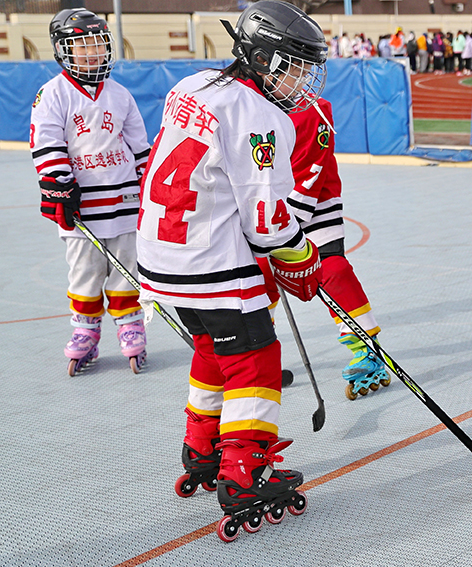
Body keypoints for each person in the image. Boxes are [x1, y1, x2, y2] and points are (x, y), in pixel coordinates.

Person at [136, 1, 326, 540]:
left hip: (159, 260)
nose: (301, 80)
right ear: (263, 57)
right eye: (295, 66)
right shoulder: (262, 117)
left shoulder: (193, 85)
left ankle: (201, 448)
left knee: (212, 349)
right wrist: (301, 257)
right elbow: (266, 222)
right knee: (256, 360)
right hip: (209, 262)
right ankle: (245, 469)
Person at [31, 8, 150, 377]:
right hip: (82, 204)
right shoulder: (52, 94)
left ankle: (130, 323)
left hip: (125, 199)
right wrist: (59, 187)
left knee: (127, 268)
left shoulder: (120, 94)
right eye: (82, 45)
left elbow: (139, 145)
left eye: (98, 43)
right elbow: (47, 142)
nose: (92, 52)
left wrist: (148, 185)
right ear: (63, 50)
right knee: (85, 270)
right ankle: (86, 330)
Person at [257, 97, 390, 401]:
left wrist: (282, 229)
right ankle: (256, 351)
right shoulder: (249, 102)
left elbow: (308, 176)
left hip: (316, 206)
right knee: (258, 276)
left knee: (331, 269)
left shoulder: (312, 109)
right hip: (267, 210)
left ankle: (366, 347)